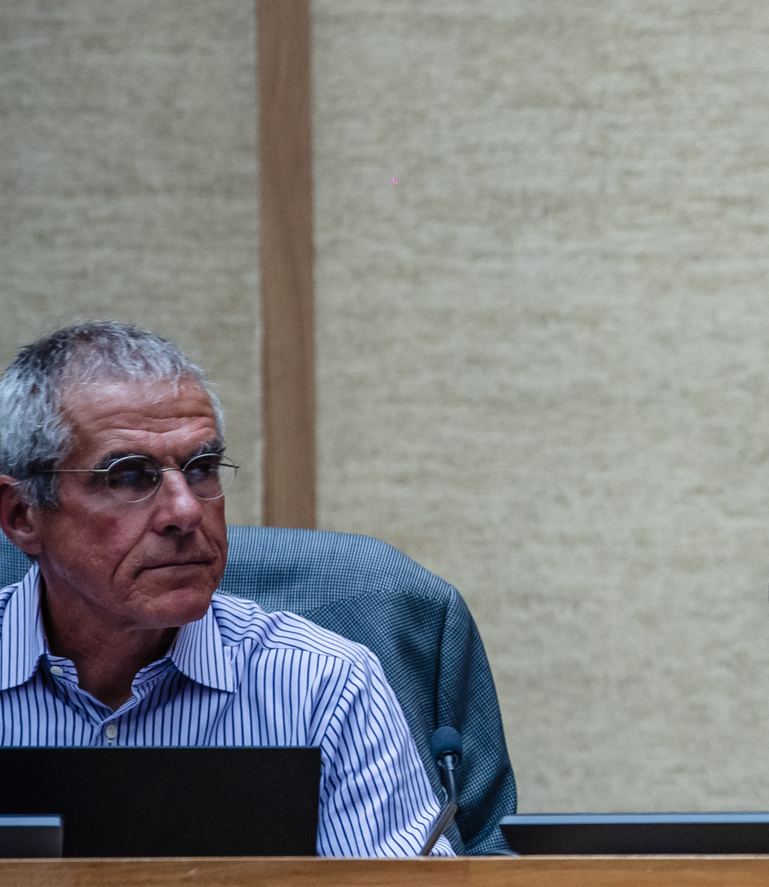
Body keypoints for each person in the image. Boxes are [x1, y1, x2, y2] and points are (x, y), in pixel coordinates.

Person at [0, 322, 448, 856]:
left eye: (202, 469)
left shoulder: (323, 687)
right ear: (22, 515)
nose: (186, 511)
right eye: (128, 477)